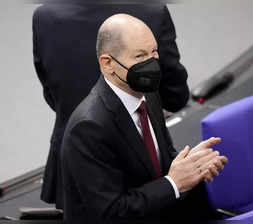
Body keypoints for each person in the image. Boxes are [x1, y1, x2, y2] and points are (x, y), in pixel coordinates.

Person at [61, 14, 228, 224]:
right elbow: (111, 212)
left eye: (154, 52)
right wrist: (174, 183)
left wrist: (191, 165)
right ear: (108, 64)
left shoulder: (148, 93)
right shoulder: (89, 127)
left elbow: (160, 158)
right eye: (140, 57)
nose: (152, 65)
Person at [32, 3, 189, 209]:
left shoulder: (45, 15)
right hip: (144, 178)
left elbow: (51, 93)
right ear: (106, 63)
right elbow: (175, 97)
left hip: (72, 170)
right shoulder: (152, 12)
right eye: (141, 56)